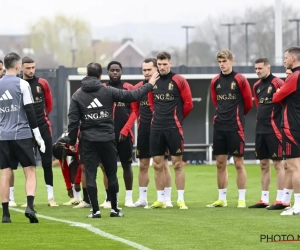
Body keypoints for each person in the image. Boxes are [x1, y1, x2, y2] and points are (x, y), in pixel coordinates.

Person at [67, 62, 158, 218]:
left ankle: (95, 211)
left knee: (90, 174)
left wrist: (71, 141)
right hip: (108, 139)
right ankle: (115, 209)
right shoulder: (108, 91)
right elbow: (133, 96)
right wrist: (150, 85)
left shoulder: (77, 95)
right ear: (101, 76)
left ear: (87, 75)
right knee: (111, 173)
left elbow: (73, 122)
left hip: (88, 140)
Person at [0, 52, 45, 223]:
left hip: (3, 136)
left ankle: (5, 214)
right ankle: (30, 206)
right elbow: (30, 110)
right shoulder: (22, 84)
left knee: (5, 173)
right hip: (22, 134)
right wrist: (38, 136)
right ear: (18, 66)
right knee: (30, 171)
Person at [9, 56, 58, 207]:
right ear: (21, 68)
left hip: (43, 128)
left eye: (33, 68)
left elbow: (49, 105)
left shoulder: (42, 83)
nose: (31, 71)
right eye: (28, 68)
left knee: (47, 163)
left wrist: (41, 120)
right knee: (29, 165)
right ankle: (29, 198)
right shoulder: (17, 84)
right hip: (25, 130)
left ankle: (51, 198)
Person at [147, 51, 193, 209]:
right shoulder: (153, 81)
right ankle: (161, 199)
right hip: (157, 128)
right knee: (157, 165)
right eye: (159, 64)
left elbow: (188, 104)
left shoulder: (179, 80)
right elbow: (151, 103)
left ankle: (180, 199)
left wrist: (177, 120)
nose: (162, 67)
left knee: (177, 164)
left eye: (164, 64)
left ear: (170, 63)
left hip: (174, 128)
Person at [207, 49, 253, 208]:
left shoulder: (240, 79)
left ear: (232, 61)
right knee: (220, 163)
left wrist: (238, 116)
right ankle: (222, 198)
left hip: (235, 126)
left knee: (238, 163)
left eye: (224, 61)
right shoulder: (215, 81)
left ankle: (241, 198)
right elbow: (216, 102)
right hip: (219, 126)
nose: (222, 65)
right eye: (220, 62)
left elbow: (248, 103)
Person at [133, 58, 173, 208]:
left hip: (161, 128)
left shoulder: (163, 86)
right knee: (143, 164)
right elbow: (135, 108)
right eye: (144, 70)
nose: (147, 73)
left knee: (163, 164)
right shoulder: (139, 87)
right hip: (144, 129)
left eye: (149, 69)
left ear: (156, 69)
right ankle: (143, 198)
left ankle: (167, 198)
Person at [248, 58, 285, 209]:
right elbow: (258, 105)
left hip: (274, 130)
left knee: (278, 164)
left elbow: (285, 104)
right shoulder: (256, 86)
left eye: (260, 68)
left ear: (268, 67)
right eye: (256, 69)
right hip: (260, 130)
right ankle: (264, 199)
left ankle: (281, 199)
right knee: (263, 164)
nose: (257, 71)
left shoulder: (278, 83)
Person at [100, 61, 138, 207]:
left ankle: (128, 198)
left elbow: (135, 111)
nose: (115, 72)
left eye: (117, 70)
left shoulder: (128, 88)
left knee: (127, 165)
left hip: (125, 136)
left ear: (121, 71)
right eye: (112, 70)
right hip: (107, 136)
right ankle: (110, 198)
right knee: (108, 167)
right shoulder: (103, 88)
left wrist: (125, 129)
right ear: (107, 72)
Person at [273, 46, 300, 216]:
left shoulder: (294, 76)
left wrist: (279, 91)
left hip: (292, 125)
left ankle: (298, 205)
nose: (284, 61)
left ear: (294, 59)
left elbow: (276, 98)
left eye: (286, 58)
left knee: (293, 166)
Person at [52, 131, 91, 208]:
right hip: (69, 146)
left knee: (79, 168)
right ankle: (77, 198)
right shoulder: (59, 147)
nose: (63, 158)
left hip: (84, 145)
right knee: (71, 168)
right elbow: (64, 169)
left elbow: (81, 164)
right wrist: (68, 187)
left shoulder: (74, 143)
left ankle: (87, 198)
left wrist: (77, 182)